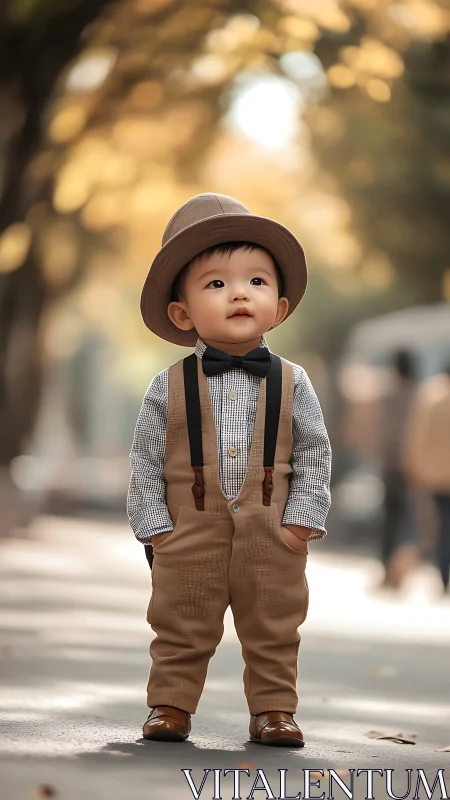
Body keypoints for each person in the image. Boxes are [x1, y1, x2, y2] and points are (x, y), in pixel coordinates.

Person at [127, 193, 332, 746]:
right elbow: (146, 458)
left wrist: (301, 521)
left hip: (273, 530)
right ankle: (170, 704)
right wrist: (155, 526)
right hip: (188, 529)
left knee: (274, 624)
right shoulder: (166, 386)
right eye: (216, 284)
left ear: (280, 307)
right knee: (180, 623)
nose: (239, 292)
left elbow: (314, 451)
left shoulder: (295, 382)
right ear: (183, 312)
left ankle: (274, 709)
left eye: (256, 282)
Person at [401, 361, 450, 594]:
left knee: (441, 524)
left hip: (437, 474)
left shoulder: (432, 394)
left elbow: (417, 433)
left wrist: (413, 465)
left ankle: (443, 574)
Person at [377, 349, 418, 589]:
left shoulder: (389, 394)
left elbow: (383, 431)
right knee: (407, 518)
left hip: (390, 464)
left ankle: (389, 570)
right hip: (412, 465)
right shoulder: (417, 394)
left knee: (390, 519)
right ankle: (400, 571)